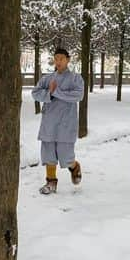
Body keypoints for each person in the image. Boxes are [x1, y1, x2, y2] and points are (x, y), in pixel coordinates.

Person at [31, 48, 84, 194]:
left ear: (68, 60)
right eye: (56, 58)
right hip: (49, 121)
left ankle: (74, 166)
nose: (58, 61)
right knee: (48, 154)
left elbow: (78, 95)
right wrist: (49, 94)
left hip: (66, 123)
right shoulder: (47, 79)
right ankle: (51, 182)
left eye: (61, 58)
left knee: (65, 155)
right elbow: (35, 93)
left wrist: (57, 92)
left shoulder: (76, 78)